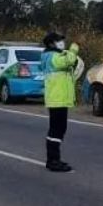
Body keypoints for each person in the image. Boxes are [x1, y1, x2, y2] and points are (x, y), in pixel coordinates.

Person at [41, 31, 80, 173]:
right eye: (59, 40)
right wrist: (74, 48)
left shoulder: (51, 55)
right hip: (57, 99)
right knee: (57, 129)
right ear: (51, 43)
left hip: (58, 98)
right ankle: (53, 160)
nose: (62, 42)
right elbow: (69, 60)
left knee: (58, 129)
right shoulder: (52, 57)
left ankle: (53, 159)